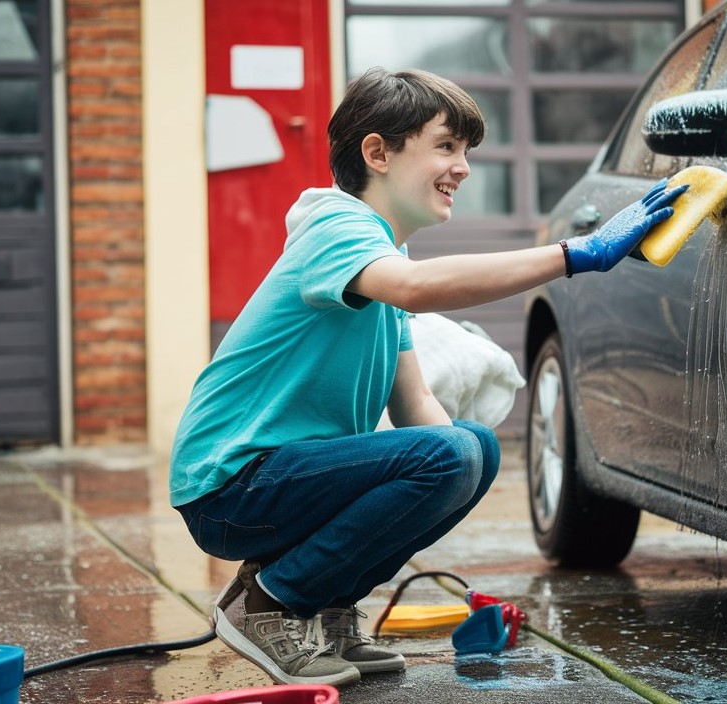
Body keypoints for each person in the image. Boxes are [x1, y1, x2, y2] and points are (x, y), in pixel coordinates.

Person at [168, 66, 686, 687]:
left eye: (465, 151)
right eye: (445, 146)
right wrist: (575, 254)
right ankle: (270, 603)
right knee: (455, 454)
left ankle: (326, 608)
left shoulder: (384, 257)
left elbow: (417, 406)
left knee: (475, 449)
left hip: (283, 478)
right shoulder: (335, 227)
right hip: (231, 484)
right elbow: (415, 291)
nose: (463, 167)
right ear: (377, 152)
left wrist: (458, 476)